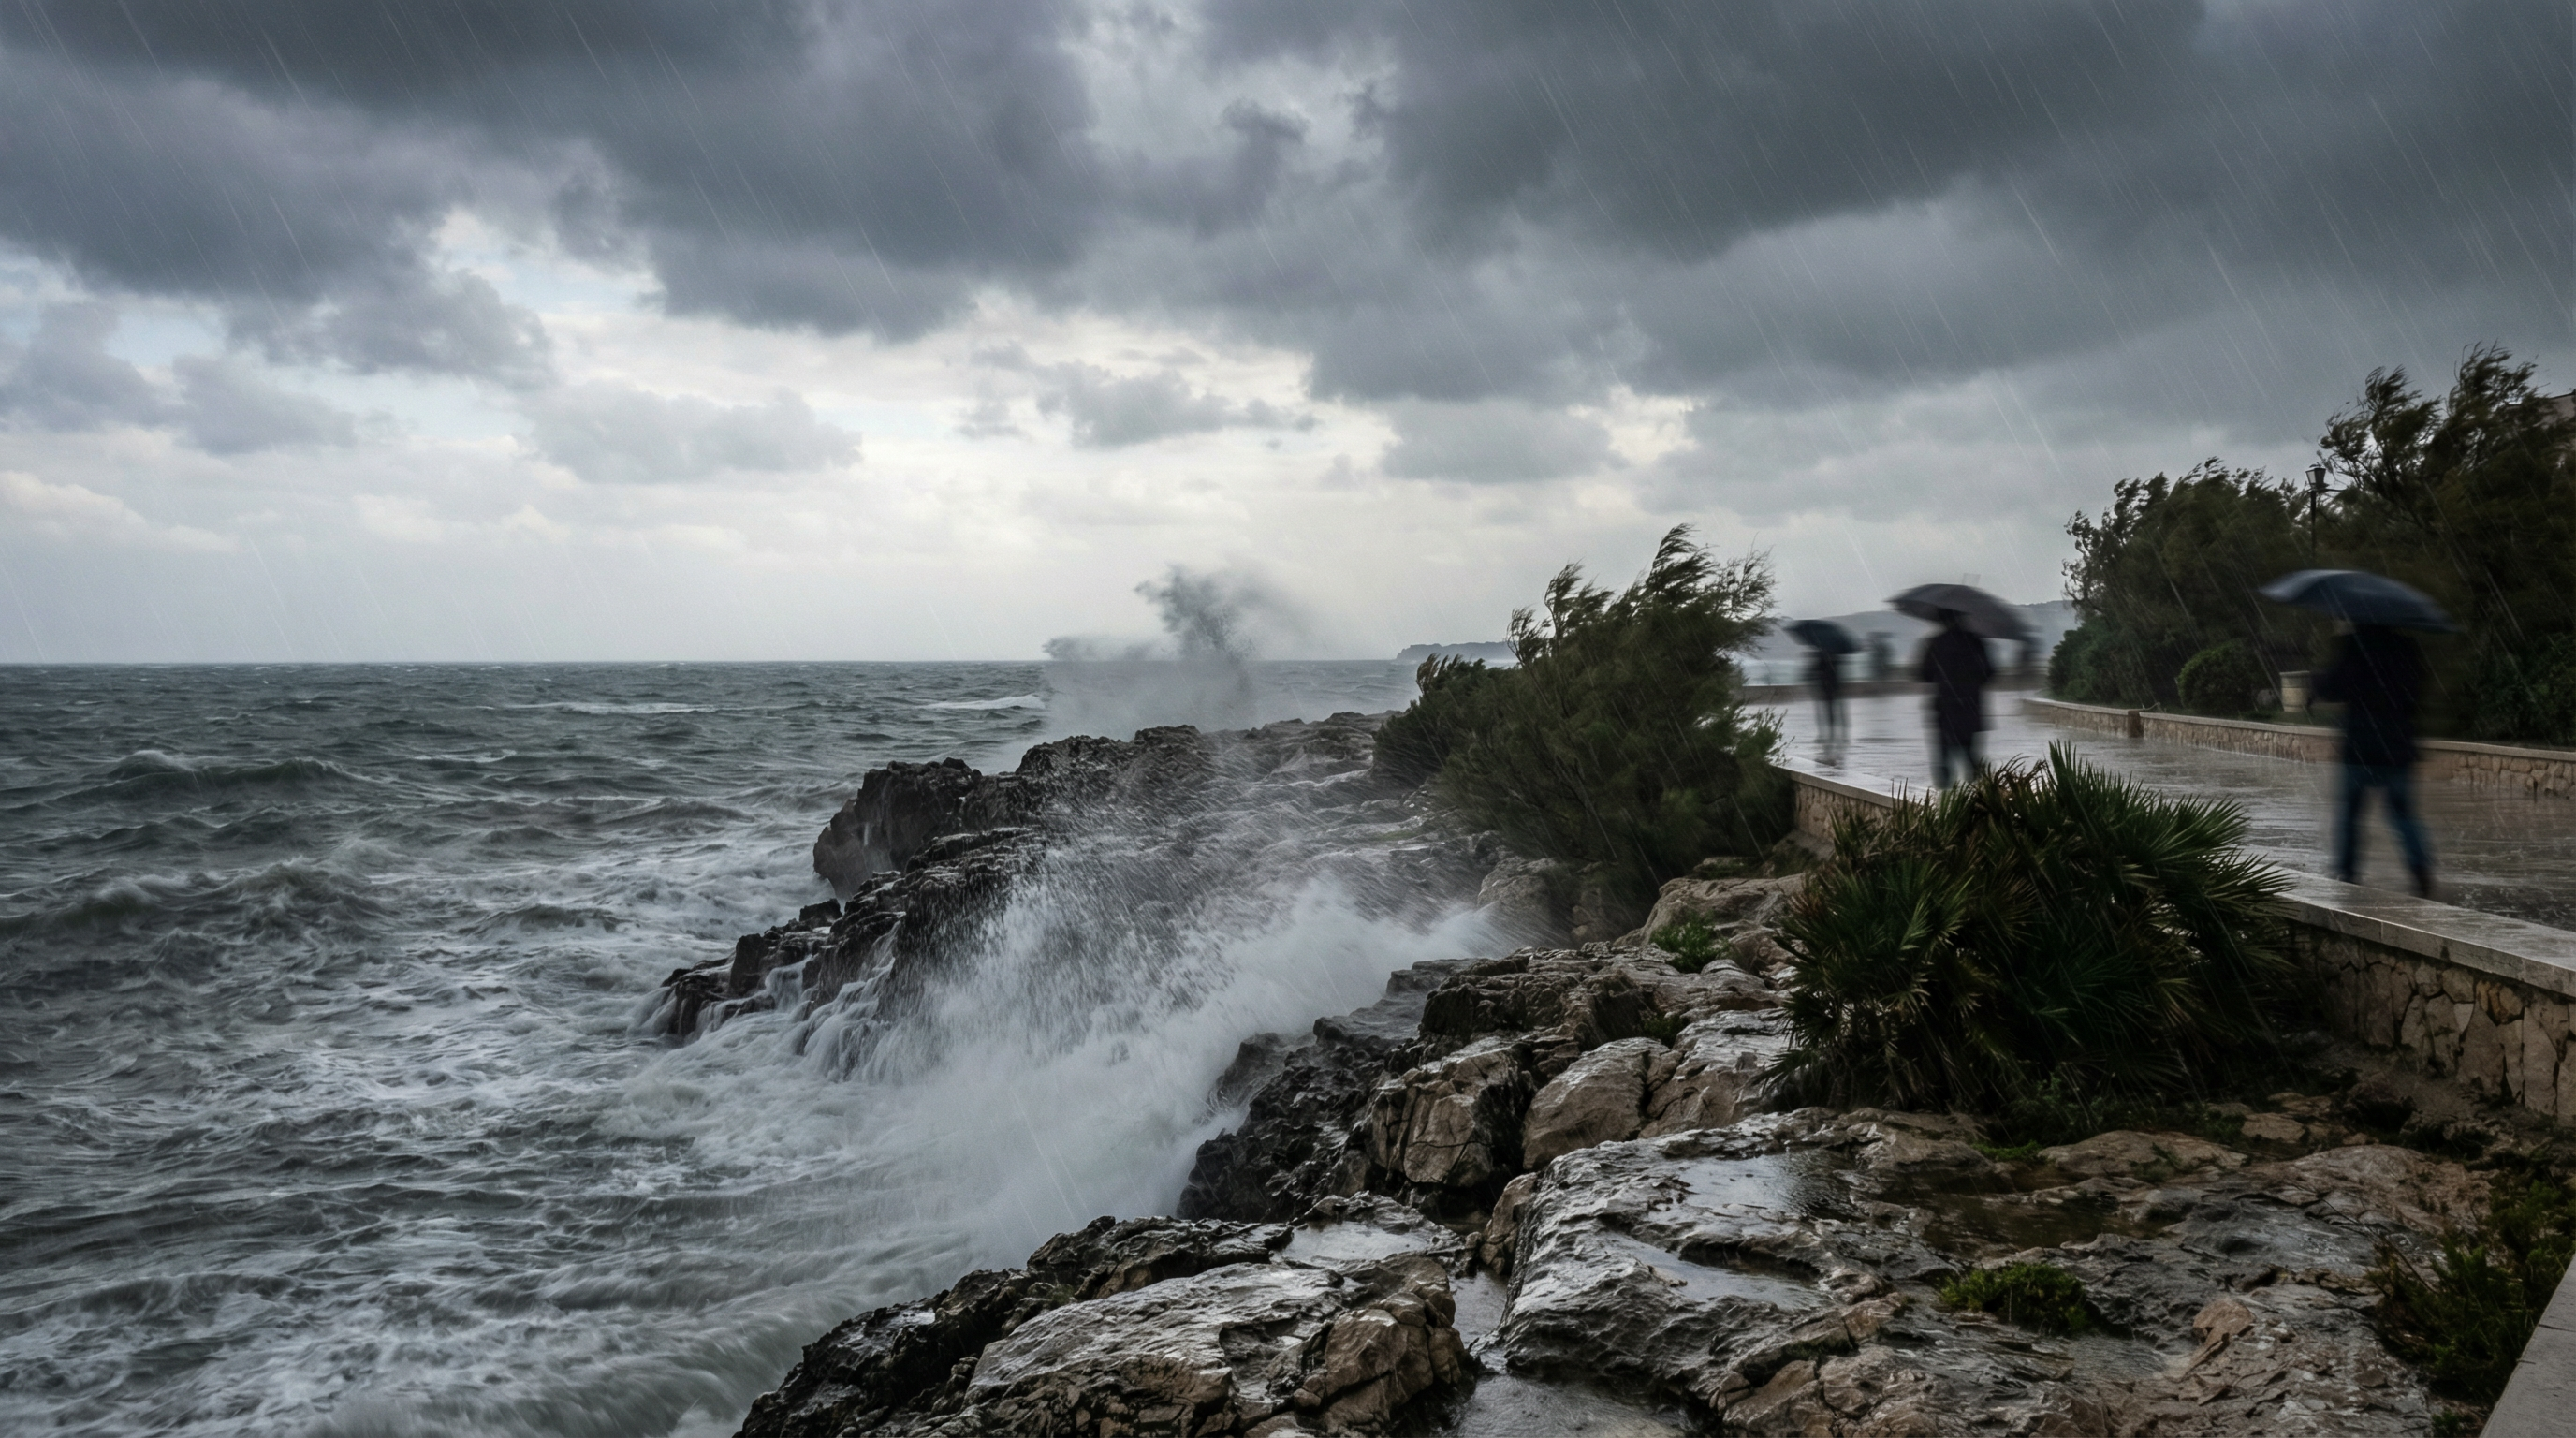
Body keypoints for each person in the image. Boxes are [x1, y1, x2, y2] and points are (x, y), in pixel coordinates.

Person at [2314, 624, 2433, 896]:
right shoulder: (2407, 647)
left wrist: (2319, 678)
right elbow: (2417, 690)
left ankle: (2346, 873)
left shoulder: (2354, 645)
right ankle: (2420, 868)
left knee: (2349, 814)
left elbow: (2335, 687)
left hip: (2360, 747)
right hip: (2398, 748)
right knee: (2403, 813)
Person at [1918, 610, 1993, 787]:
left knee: (1943, 761)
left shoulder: (1936, 643)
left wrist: (1944, 676)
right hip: (1970, 708)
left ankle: (1944, 804)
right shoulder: (1975, 642)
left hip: (1946, 711)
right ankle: (1980, 799)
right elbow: (1989, 673)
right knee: (1972, 759)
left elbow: (1923, 674)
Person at [1807, 643, 1847, 750]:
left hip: (1826, 688)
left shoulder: (1822, 658)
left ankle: (1830, 734)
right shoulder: (1834, 657)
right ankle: (1839, 734)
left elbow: (1813, 672)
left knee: (1827, 713)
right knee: (1836, 712)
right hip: (1834, 688)